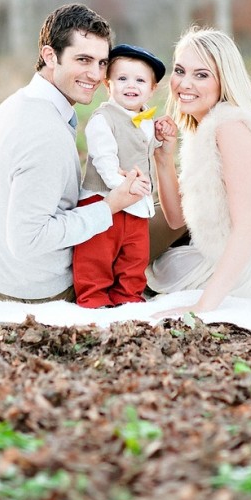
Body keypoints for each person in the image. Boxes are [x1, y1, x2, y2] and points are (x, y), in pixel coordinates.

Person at [0, 4, 149, 303]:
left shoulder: (19, 103)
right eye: (83, 60)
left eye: (102, 63)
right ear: (51, 56)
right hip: (39, 285)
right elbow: (28, 240)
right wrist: (111, 206)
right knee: (167, 216)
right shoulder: (44, 132)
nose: (95, 74)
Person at [148, 27, 251, 315]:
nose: (184, 84)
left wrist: (203, 305)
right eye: (180, 70)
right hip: (247, 235)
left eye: (201, 75)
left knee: (157, 272)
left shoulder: (230, 128)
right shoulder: (203, 123)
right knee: (142, 239)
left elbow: (249, 227)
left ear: (224, 80)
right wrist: (163, 159)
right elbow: (178, 219)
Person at [73, 43, 174, 308]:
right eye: (122, 78)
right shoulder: (102, 120)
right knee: (97, 253)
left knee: (135, 255)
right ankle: (92, 296)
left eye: (140, 80)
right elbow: (105, 161)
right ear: (109, 85)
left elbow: (144, 150)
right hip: (105, 200)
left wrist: (163, 141)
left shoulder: (145, 121)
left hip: (138, 205)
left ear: (152, 89)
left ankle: (127, 296)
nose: (131, 85)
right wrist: (123, 186)